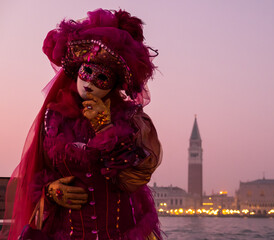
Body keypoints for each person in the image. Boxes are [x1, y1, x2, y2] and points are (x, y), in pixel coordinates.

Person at [5, 8, 162, 240]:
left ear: (113, 86)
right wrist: (51, 192)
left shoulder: (133, 122)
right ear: (77, 70)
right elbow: (40, 172)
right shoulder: (53, 119)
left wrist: (104, 127)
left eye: (102, 77)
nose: (90, 83)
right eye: (86, 71)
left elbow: (133, 179)